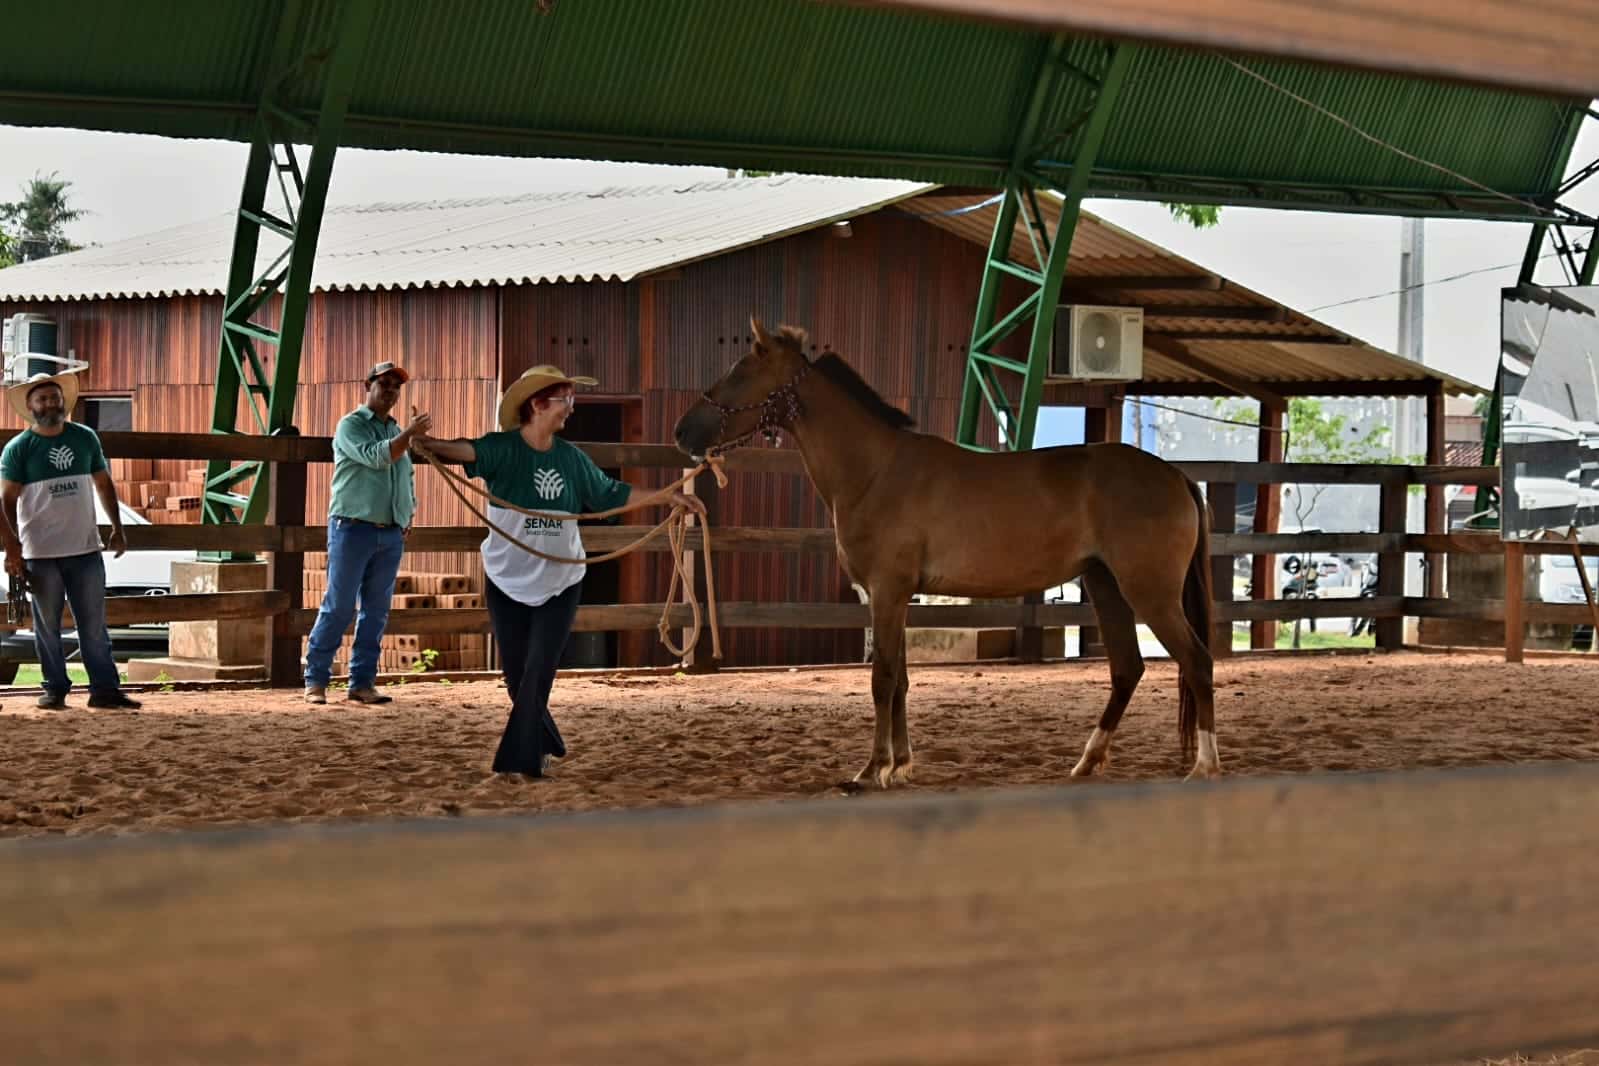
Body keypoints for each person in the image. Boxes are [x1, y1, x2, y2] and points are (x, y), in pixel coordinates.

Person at [420, 364, 703, 777]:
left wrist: (669, 497)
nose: (571, 407)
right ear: (537, 404)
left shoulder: (571, 459)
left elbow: (612, 493)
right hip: (507, 578)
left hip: (561, 582)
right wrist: (426, 442)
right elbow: (466, 450)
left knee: (539, 667)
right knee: (517, 675)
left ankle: (521, 761)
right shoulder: (503, 449)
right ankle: (544, 738)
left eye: (571, 398)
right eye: (564, 399)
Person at [0, 371, 141, 710]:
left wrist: (117, 527)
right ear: (31, 407)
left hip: (85, 548)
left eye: (54, 397)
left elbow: (104, 484)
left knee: (93, 623)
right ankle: (54, 688)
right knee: (47, 625)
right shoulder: (19, 449)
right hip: (41, 551)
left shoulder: (85, 438)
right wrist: (13, 548)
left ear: (63, 401)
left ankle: (104, 690)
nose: (50, 403)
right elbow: (5, 501)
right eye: (42, 399)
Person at [303, 361, 430, 706]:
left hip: (389, 532)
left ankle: (362, 682)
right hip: (352, 528)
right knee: (339, 606)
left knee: (376, 610)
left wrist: (407, 515)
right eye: (384, 383)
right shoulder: (351, 425)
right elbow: (378, 458)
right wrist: (410, 435)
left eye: (395, 386)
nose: (390, 390)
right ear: (368, 386)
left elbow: (405, 477)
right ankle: (316, 679)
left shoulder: (396, 431)